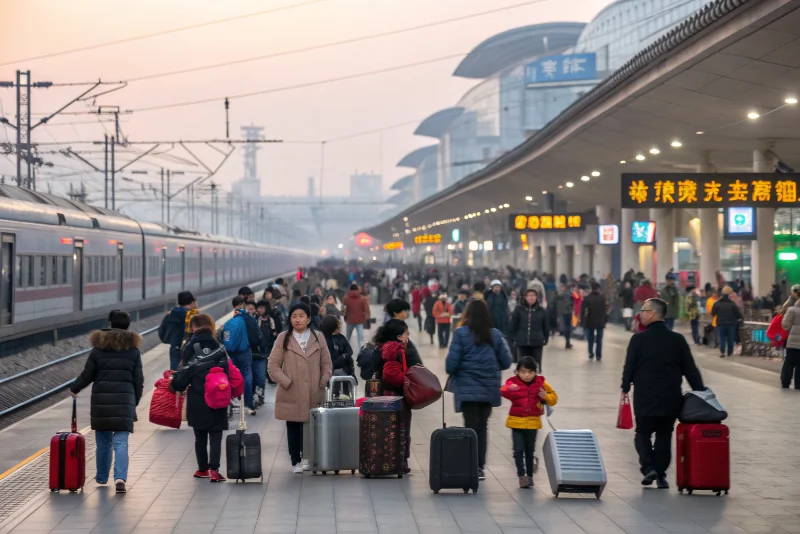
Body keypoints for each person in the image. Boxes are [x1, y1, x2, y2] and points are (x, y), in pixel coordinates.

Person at [621, 298, 705, 489]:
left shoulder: (638, 339)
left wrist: (625, 387)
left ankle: (649, 466)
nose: (640, 313)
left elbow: (630, 366)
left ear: (652, 313)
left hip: (645, 397)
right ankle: (660, 474)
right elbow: (690, 369)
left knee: (642, 432)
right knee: (664, 435)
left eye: (643, 310)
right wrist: (700, 391)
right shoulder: (677, 340)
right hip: (671, 397)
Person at [70, 310, 144, 494]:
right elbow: (138, 380)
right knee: (121, 442)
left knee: (103, 443)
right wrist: (134, 401)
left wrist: (75, 388)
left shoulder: (98, 350)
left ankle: (102, 477)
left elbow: (87, 374)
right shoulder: (133, 351)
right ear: (127, 326)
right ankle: (120, 478)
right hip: (124, 400)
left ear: (109, 324)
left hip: (101, 401)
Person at [445, 299, 512, 481]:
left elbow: (451, 365)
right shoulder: (495, 335)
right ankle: (480, 467)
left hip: (467, 391)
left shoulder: (460, 334)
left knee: (470, 428)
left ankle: (470, 465)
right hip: (488, 390)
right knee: (482, 428)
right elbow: (506, 361)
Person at [172, 314, 240, 483]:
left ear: (196, 327)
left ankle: (202, 469)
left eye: (192, 326)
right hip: (217, 395)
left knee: (200, 436)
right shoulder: (219, 346)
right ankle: (214, 470)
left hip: (197, 396)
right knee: (216, 436)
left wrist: (176, 385)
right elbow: (226, 369)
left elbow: (185, 371)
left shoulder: (189, 347)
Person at [268, 303, 332, 473]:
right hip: (291, 390)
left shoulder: (318, 337)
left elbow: (326, 362)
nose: (297, 319)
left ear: (309, 318)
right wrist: (286, 382)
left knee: (312, 425)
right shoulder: (284, 337)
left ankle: (309, 457)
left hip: (314, 389)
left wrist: (323, 381)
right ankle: (295, 459)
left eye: (301, 316)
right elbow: (273, 365)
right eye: (294, 316)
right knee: (294, 426)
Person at [370, 319, 422, 472]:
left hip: (380, 396)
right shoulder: (401, 351)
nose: (408, 336)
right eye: (406, 334)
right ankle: (400, 461)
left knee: (382, 429)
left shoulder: (377, 350)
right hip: (399, 396)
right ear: (399, 336)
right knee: (402, 427)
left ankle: (382, 459)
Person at [500, 357, 557, 489]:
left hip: (532, 423)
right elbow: (502, 391)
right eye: (523, 371)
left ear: (535, 372)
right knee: (518, 450)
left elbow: (554, 398)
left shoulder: (541, 382)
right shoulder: (512, 382)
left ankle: (530, 476)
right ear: (517, 372)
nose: (527, 375)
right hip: (516, 423)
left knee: (529, 451)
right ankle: (521, 476)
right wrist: (510, 389)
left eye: (530, 372)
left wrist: (546, 397)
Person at [220, 296, 260, 415]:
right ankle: (248, 403)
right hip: (244, 351)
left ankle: (231, 403)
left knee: (231, 376)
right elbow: (255, 331)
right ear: (243, 305)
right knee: (247, 374)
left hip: (231, 352)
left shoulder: (229, 321)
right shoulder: (245, 317)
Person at [508, 288, 549, 369]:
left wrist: (546, 338)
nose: (532, 297)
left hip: (537, 342)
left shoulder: (541, 310)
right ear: (525, 297)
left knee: (536, 366)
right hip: (522, 342)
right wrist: (512, 338)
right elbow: (513, 325)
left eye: (534, 295)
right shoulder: (519, 309)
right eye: (529, 295)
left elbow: (546, 325)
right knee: (523, 366)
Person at [159, 291, 197, 371]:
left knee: (174, 373)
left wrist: (173, 341)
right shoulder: (193, 315)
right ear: (192, 302)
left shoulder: (170, 314)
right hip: (190, 348)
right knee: (189, 373)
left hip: (174, 348)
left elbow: (161, 332)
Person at [320, 315, 355, 398]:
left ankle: (346, 397)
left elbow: (349, 351)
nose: (340, 327)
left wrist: (343, 358)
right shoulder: (324, 340)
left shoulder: (341, 338)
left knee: (346, 390)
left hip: (343, 370)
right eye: (338, 325)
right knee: (333, 390)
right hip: (331, 371)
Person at [256, 299, 281, 392]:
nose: (259, 310)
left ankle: (271, 377)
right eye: (258, 308)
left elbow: (277, 329)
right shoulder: (257, 319)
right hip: (262, 345)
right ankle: (270, 377)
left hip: (270, 344)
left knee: (270, 361)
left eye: (261, 308)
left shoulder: (271, 319)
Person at [711, 286, 743, 358]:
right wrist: (739, 318)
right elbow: (737, 314)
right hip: (731, 324)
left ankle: (722, 352)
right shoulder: (732, 304)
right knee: (730, 338)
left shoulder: (717, 303)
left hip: (721, 323)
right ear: (729, 294)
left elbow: (713, 313)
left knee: (722, 338)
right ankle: (730, 353)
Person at [581, 282, 608, 361]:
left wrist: (582, 321)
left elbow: (583, 311)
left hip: (590, 321)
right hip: (600, 321)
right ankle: (598, 355)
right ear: (598, 289)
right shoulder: (602, 298)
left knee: (590, 338)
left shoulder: (587, 298)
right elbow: (605, 310)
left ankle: (591, 353)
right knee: (599, 339)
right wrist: (605, 320)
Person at [780, 284, 800, 389]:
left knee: (789, 363)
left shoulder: (791, 309)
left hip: (792, 342)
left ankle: (785, 382)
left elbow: (785, 326)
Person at [343, 283, 369, 349]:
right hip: (360, 320)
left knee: (348, 337)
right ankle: (362, 352)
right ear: (358, 290)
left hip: (349, 320)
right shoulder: (363, 299)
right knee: (361, 338)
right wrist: (367, 317)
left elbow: (343, 310)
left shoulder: (346, 298)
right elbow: (366, 310)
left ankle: (345, 351)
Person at [555, 283, 574, 349]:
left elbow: (558, 304)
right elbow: (576, 300)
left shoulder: (561, 295)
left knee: (566, 325)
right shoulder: (571, 295)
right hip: (569, 312)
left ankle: (567, 340)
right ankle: (568, 341)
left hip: (563, 312)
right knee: (569, 326)